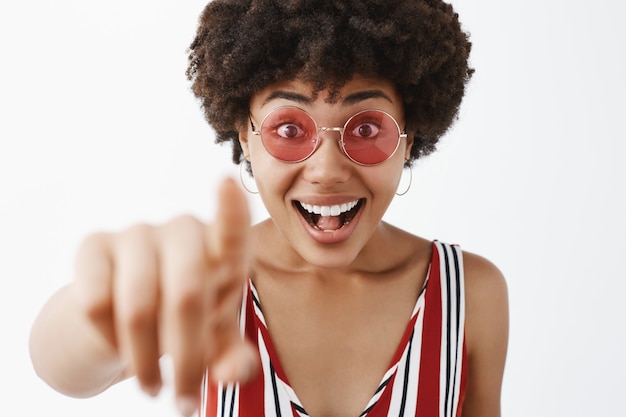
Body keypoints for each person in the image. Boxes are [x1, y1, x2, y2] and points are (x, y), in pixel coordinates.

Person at [29, 0, 509, 416]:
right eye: (289, 128)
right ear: (245, 135)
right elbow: (61, 370)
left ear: (409, 139)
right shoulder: (207, 281)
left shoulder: (471, 295)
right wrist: (105, 307)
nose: (326, 170)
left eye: (365, 129)